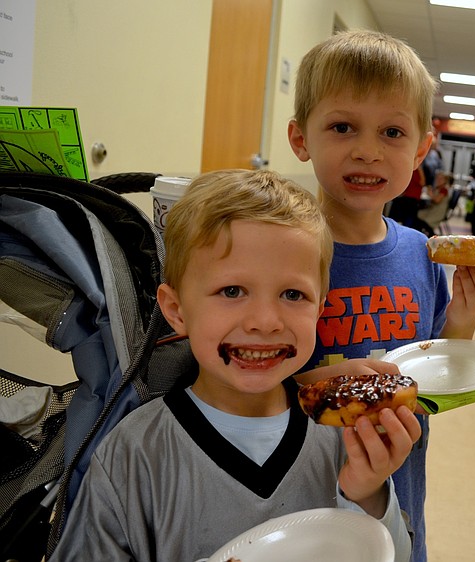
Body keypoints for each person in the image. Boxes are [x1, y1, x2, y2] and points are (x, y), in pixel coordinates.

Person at [52, 170, 420, 562]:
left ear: (319, 310)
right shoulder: (133, 454)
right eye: (232, 291)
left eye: (293, 294)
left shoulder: (341, 437)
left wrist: (368, 494)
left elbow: (391, 553)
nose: (265, 321)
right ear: (176, 310)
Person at [287, 30, 475, 562]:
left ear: (422, 148)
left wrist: (463, 321)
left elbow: (434, 374)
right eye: (342, 127)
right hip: (299, 483)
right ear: (300, 139)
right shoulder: (281, 250)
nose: (367, 150)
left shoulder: (421, 253)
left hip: (396, 480)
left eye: (392, 132)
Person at [417, 170, 453, 236]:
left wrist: (430, 194)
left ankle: (428, 234)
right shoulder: (438, 188)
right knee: (418, 214)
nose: (438, 180)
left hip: (437, 212)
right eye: (437, 178)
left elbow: (437, 200)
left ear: (445, 180)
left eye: (441, 179)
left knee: (420, 219)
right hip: (433, 210)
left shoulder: (444, 190)